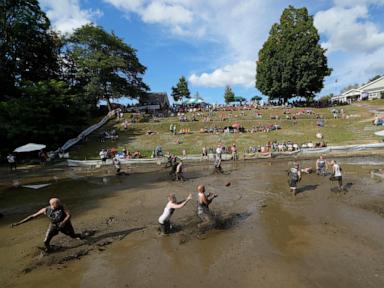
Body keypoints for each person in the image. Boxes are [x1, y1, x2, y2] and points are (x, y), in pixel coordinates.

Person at [11, 198, 83, 252]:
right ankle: (49, 249)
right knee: (45, 241)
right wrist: (19, 223)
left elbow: (69, 215)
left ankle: (81, 235)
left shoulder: (63, 207)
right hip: (54, 225)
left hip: (65, 225)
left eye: (59, 202)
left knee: (73, 236)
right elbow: (32, 216)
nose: (60, 203)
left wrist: (63, 223)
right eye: (57, 203)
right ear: (52, 204)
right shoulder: (45, 209)